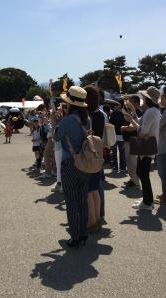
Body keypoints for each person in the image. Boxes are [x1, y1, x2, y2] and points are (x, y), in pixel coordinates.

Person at [53, 86, 90, 248]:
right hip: (85, 163)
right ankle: (83, 233)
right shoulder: (86, 119)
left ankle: (75, 236)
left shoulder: (67, 120)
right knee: (82, 200)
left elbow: (56, 137)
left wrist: (56, 123)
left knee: (71, 202)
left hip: (70, 163)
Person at [125, 87, 161, 211]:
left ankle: (147, 202)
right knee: (142, 173)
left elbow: (142, 131)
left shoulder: (151, 111)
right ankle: (147, 199)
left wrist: (132, 120)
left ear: (148, 98)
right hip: (150, 145)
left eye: (144, 97)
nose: (143, 99)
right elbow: (140, 124)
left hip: (147, 146)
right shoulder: (154, 111)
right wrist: (133, 112)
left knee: (143, 173)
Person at [84, 86, 105, 233]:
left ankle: (91, 220)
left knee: (89, 189)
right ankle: (99, 215)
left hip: (87, 153)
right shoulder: (101, 114)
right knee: (97, 186)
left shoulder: (87, 116)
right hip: (99, 151)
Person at [121, 95, 141, 188]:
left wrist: (124, 128)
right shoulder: (130, 112)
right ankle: (132, 179)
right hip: (128, 140)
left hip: (133, 141)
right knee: (129, 162)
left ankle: (136, 182)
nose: (129, 104)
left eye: (132, 102)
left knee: (133, 163)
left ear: (137, 103)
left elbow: (134, 127)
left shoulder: (138, 113)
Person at [109, 99, 128, 172]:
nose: (115, 106)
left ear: (120, 105)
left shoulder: (115, 113)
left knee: (116, 152)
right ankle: (121, 167)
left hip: (117, 134)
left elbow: (110, 124)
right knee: (120, 152)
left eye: (117, 104)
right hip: (120, 134)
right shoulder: (124, 113)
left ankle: (117, 167)